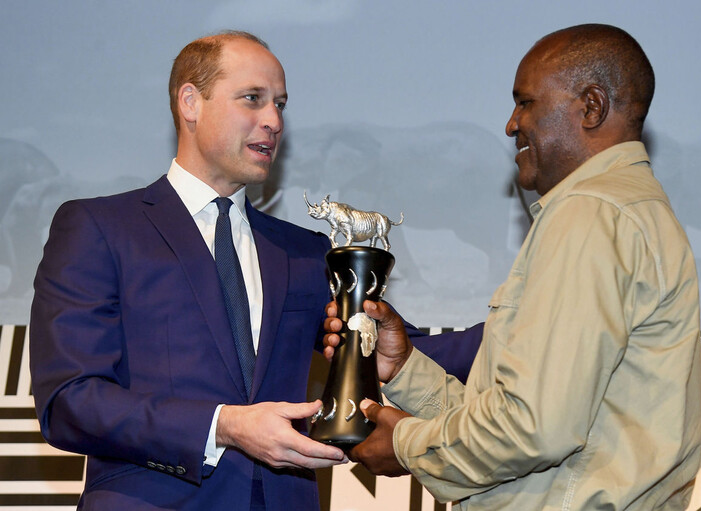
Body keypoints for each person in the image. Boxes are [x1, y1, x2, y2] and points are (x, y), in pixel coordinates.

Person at [28, 31, 479, 510]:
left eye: (280, 105)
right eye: (253, 99)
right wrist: (222, 426)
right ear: (190, 102)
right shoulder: (100, 227)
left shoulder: (304, 251)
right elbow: (69, 401)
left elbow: (405, 353)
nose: (274, 121)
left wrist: (540, 321)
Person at [325, 24, 701, 510]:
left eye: (525, 102)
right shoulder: (626, 210)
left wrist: (407, 446)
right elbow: (531, 423)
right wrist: (403, 369)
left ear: (591, 106)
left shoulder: (590, 214)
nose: (511, 124)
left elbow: (535, 428)